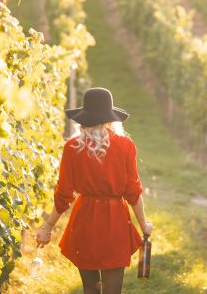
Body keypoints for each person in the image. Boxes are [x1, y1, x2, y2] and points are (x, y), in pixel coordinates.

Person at [36, 87, 153, 294]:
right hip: (115, 219)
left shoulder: (72, 147)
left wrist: (47, 226)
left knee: (90, 288)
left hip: (85, 218)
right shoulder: (125, 145)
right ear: (110, 118)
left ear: (84, 117)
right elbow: (133, 191)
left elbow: (64, 193)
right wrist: (143, 224)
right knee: (112, 289)